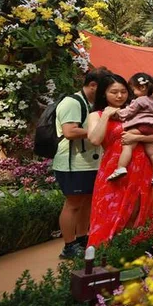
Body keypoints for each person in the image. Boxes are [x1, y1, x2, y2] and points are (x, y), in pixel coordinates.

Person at [86, 73, 153, 246]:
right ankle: (103, 257)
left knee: (136, 214)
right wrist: (106, 115)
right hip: (114, 171)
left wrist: (137, 139)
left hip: (141, 169)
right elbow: (95, 140)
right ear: (103, 93)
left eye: (123, 91)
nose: (120, 96)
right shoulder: (96, 115)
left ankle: (133, 256)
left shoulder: (136, 111)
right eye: (114, 92)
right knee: (108, 214)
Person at [53, 70, 102, 260]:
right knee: (73, 204)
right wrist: (96, 130)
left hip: (89, 163)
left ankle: (82, 238)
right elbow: (70, 131)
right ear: (93, 85)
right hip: (72, 164)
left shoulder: (90, 103)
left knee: (87, 202)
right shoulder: (72, 102)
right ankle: (68, 245)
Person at [106, 73, 153, 186]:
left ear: (142, 88)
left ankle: (121, 167)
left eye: (133, 89)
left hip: (142, 126)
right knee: (152, 153)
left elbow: (129, 112)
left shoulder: (140, 100)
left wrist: (117, 112)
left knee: (127, 144)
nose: (132, 92)